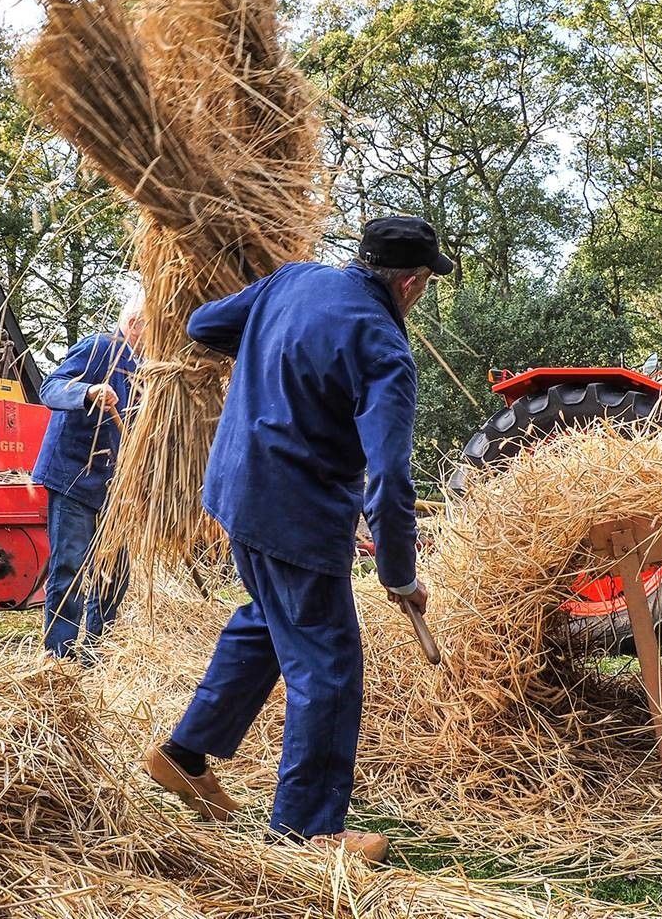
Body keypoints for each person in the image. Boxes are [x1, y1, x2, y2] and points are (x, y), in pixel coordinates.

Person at [142, 216, 449, 865]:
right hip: (294, 514)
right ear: (413, 282)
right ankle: (307, 832)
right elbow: (390, 475)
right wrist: (399, 574)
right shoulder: (384, 348)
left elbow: (202, 326)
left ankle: (183, 753)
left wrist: (267, 352)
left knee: (266, 622)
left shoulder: (293, 281)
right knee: (329, 664)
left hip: (233, 489)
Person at [32, 293, 144, 662]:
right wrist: (89, 390)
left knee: (115, 570)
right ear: (134, 323)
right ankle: (60, 658)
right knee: (70, 566)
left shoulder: (146, 368)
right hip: (75, 475)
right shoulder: (99, 347)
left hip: (117, 487)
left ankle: (96, 651)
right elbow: (51, 387)